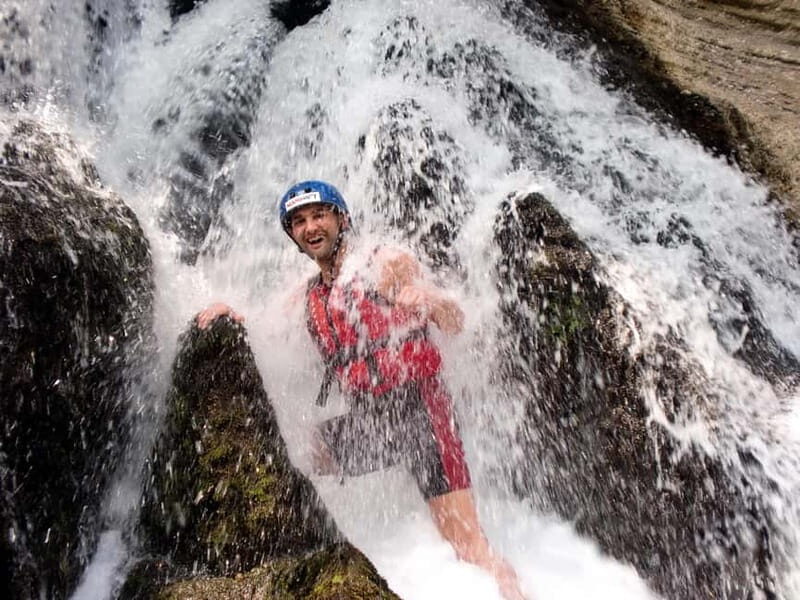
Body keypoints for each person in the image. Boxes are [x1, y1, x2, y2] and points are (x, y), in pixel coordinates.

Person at [197, 180, 527, 600]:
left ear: (341, 218)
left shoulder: (384, 263)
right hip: (371, 421)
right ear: (292, 235)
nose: (311, 226)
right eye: (299, 221)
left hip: (424, 416)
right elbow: (263, 332)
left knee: (469, 548)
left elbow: (455, 320)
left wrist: (429, 300)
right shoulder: (308, 295)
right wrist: (231, 315)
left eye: (319, 215)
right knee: (299, 454)